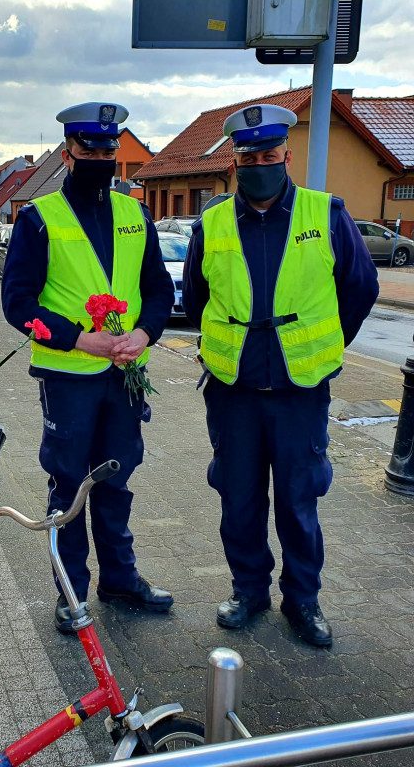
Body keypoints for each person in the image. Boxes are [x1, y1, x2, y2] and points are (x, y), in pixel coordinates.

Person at [183, 105, 379, 647]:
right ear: (235, 162)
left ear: (286, 157)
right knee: (239, 498)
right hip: (234, 393)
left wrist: (322, 348)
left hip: (300, 394)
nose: (259, 165)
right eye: (248, 158)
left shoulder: (327, 214)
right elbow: (197, 299)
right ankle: (248, 590)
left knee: (299, 499)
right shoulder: (213, 222)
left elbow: (360, 289)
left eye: (269, 156)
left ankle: (303, 600)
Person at [1, 102, 176, 634]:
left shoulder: (134, 216)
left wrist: (144, 333)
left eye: (108, 149)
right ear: (69, 153)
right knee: (69, 484)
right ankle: (70, 590)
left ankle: (119, 579)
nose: (101, 157)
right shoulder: (39, 219)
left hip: (125, 378)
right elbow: (18, 304)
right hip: (69, 379)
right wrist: (83, 341)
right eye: (89, 150)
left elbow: (158, 290)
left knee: (117, 481)